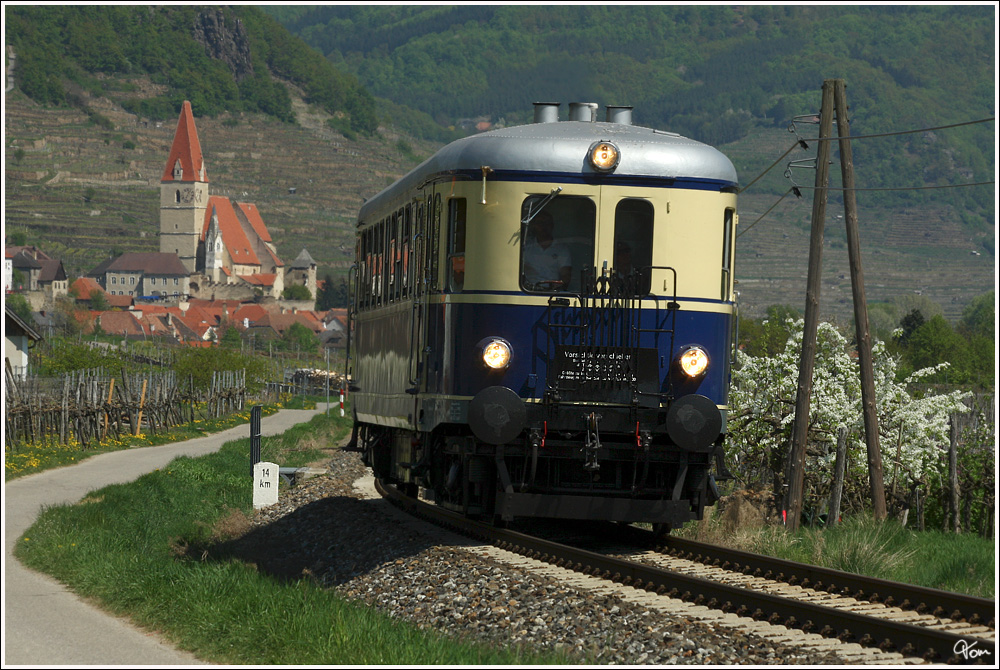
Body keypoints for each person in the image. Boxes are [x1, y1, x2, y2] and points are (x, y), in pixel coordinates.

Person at [522, 211, 572, 289]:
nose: (543, 226)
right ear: (534, 226)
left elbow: (566, 275)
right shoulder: (526, 247)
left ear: (552, 226)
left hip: (551, 291)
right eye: (540, 223)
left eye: (546, 223)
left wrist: (559, 284)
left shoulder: (562, 249)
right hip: (528, 291)